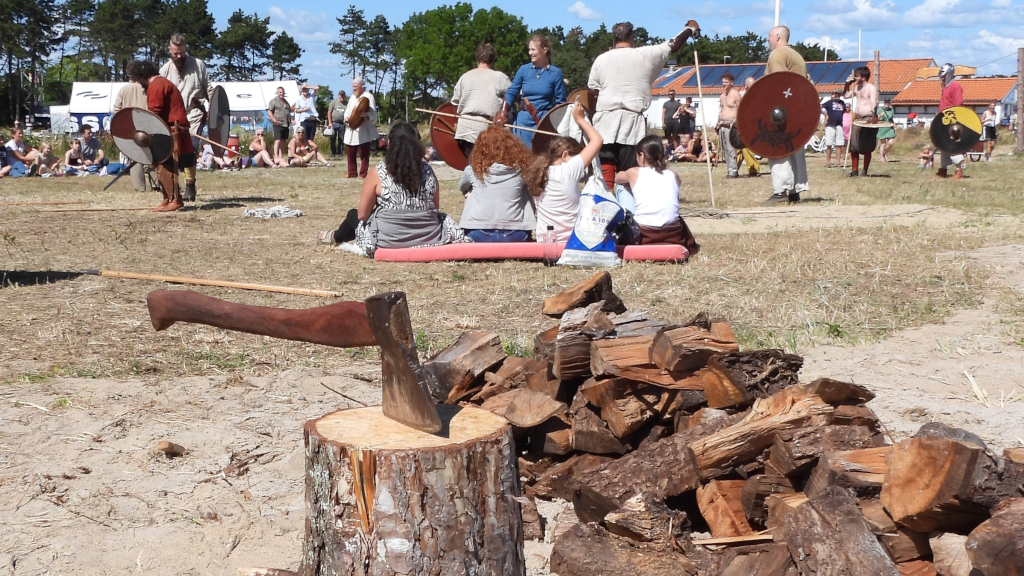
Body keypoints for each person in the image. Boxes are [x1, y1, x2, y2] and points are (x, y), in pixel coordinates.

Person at [317, 122, 466, 256]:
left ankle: (335, 236)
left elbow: (363, 215)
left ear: (388, 143)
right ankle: (335, 235)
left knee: (353, 215)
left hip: (386, 241)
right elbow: (435, 207)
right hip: (429, 236)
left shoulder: (378, 172)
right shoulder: (428, 171)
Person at [587, 20, 700, 190]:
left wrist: (592, 117)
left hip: (605, 120)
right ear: (631, 37)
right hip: (630, 121)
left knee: (606, 163)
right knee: (629, 170)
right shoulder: (645, 54)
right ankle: (625, 206)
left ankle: (606, 202)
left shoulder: (601, 60)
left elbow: (592, 92)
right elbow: (673, 44)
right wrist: (690, 29)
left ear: (614, 38)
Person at [523, 103, 603, 242]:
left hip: (545, 241)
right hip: (570, 242)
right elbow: (597, 140)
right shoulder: (569, 169)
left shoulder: (538, 172)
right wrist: (580, 119)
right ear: (565, 155)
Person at [129, 59, 195, 212]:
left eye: (138, 80)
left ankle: (174, 199)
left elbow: (154, 113)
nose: (139, 83)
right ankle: (167, 198)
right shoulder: (160, 83)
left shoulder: (157, 85)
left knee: (166, 166)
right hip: (169, 131)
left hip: (172, 132)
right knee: (161, 166)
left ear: (141, 76)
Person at [614, 135, 698, 252]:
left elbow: (617, 178)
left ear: (642, 155)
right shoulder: (672, 174)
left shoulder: (634, 172)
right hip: (673, 235)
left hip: (644, 235)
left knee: (621, 187)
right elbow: (677, 185)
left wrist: (630, 182)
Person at [457, 126, 536, 242]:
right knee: (525, 189)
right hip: (517, 233)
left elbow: (462, 187)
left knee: (469, 191)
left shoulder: (472, 170)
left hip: (477, 233)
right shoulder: (522, 170)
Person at [160, 33, 213, 202]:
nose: (179, 56)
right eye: (175, 53)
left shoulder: (198, 65)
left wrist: (214, 107)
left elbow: (210, 89)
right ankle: (174, 188)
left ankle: (190, 184)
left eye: (181, 52)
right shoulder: (165, 70)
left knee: (191, 148)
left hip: (194, 113)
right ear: (169, 50)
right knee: (173, 151)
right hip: (173, 117)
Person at [763, 25, 808, 203]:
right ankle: (795, 191)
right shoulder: (797, 55)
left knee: (778, 147)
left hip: (782, 111)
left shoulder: (778, 54)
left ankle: (780, 191)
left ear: (778, 36)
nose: (768, 39)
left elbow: (778, 82)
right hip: (797, 109)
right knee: (795, 147)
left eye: (769, 35)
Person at [505, 35, 567, 149]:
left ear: (544, 50)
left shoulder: (555, 73)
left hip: (543, 123)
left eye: (533, 49)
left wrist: (555, 126)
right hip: (522, 121)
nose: (530, 53)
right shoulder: (524, 69)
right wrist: (503, 110)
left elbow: (560, 103)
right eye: (529, 49)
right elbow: (512, 92)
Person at [452, 43, 512, 157]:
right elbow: (514, 95)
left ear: (477, 58)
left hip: (465, 128)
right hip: (485, 128)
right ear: (493, 59)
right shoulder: (500, 77)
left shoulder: (465, 77)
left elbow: (455, 102)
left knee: (472, 165)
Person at [112, 77, 152, 191]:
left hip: (130, 126)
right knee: (152, 156)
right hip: (148, 124)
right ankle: (156, 185)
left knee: (135, 157)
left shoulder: (124, 89)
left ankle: (139, 187)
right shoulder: (148, 88)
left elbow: (116, 111)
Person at [843, 66, 879, 177]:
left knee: (867, 145)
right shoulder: (856, 87)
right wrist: (847, 84)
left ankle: (865, 171)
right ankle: (854, 170)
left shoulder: (871, 88)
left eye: (857, 76)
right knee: (853, 145)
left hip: (868, 119)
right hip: (857, 119)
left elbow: (874, 103)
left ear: (863, 77)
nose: (855, 78)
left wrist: (874, 116)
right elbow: (845, 96)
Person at [934, 63, 965, 179]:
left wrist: (954, 120)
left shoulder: (955, 86)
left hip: (952, 120)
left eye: (944, 75)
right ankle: (943, 170)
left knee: (952, 145)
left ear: (949, 74)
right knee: (943, 145)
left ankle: (959, 171)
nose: (941, 77)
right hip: (943, 120)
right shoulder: (945, 88)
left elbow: (958, 104)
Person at [344, 77, 378, 178]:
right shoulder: (352, 97)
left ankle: (363, 173)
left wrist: (366, 115)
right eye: (353, 87)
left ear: (361, 86)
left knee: (363, 152)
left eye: (356, 87)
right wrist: (346, 117)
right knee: (350, 151)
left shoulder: (368, 97)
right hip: (351, 127)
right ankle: (352, 172)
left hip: (363, 127)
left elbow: (372, 112)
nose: (354, 89)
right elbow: (348, 109)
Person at [717, 73, 741, 178]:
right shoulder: (722, 96)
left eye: (726, 82)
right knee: (725, 149)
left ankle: (733, 171)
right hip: (722, 124)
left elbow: (741, 109)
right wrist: (718, 122)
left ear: (731, 83)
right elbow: (722, 110)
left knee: (731, 149)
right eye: (722, 82)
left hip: (731, 125)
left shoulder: (735, 94)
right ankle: (729, 169)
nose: (723, 84)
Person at [737, 77, 760, 177]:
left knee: (745, 147)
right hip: (741, 123)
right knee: (740, 147)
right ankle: (734, 169)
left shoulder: (756, 95)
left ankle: (752, 169)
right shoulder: (740, 95)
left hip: (752, 124)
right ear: (746, 86)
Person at [267, 86, 292, 167]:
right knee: (277, 140)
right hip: (278, 123)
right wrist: (274, 120)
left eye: (282, 92)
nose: (281, 94)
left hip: (286, 124)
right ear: (277, 93)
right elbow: (269, 111)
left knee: (283, 140)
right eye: (280, 92)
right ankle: (276, 156)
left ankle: (281, 156)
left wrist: (290, 121)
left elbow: (289, 112)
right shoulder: (273, 101)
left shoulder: (286, 102)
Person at [821, 89, 846, 168]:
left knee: (839, 145)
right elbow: (819, 107)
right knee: (829, 144)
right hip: (830, 125)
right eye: (836, 94)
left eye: (838, 94)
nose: (837, 95)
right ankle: (828, 162)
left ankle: (838, 163)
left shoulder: (842, 103)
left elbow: (845, 111)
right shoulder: (829, 102)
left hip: (839, 125)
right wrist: (825, 115)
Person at [327, 90, 347, 157]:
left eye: (343, 95)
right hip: (334, 122)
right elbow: (329, 112)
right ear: (338, 95)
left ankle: (340, 153)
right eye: (340, 95)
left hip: (342, 123)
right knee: (333, 138)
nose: (342, 96)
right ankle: (333, 152)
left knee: (341, 139)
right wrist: (330, 122)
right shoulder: (334, 102)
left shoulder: (346, 103)